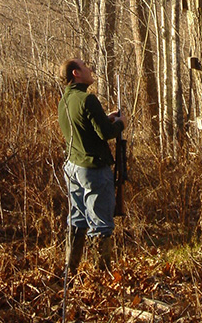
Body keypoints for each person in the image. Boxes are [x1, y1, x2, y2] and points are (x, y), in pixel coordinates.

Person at [58, 58, 126, 275]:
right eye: (85, 66)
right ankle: (101, 278)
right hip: (93, 170)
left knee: (77, 220)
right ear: (76, 73)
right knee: (101, 225)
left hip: (73, 168)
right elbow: (105, 134)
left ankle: (70, 270)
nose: (90, 69)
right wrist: (122, 124)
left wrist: (106, 118)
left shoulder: (65, 100)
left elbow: (83, 127)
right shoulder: (88, 100)